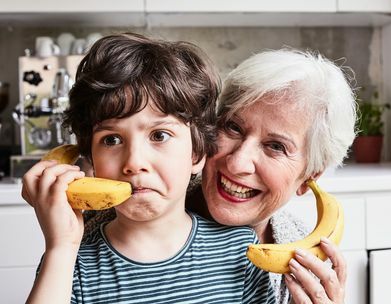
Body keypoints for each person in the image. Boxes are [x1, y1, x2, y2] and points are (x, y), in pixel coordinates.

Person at [82, 47, 356, 304]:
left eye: (275, 147)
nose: (238, 163)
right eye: (233, 127)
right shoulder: (122, 217)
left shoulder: (305, 260)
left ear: (308, 178)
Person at [21, 33, 274, 303]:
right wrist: (60, 248)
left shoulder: (238, 250)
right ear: (92, 161)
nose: (134, 162)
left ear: (197, 153)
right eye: (112, 139)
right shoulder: (72, 263)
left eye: (159, 135)